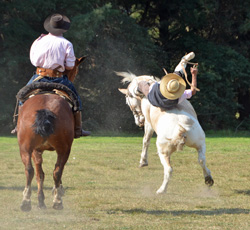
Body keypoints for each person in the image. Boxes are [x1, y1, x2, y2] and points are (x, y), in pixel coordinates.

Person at [12, 13, 90, 138]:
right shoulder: (67, 44)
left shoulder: (38, 41)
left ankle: (18, 126)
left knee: (21, 97)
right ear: (64, 29)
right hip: (59, 78)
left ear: (49, 27)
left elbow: (33, 60)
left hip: (39, 76)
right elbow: (70, 66)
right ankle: (78, 129)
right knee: (76, 100)